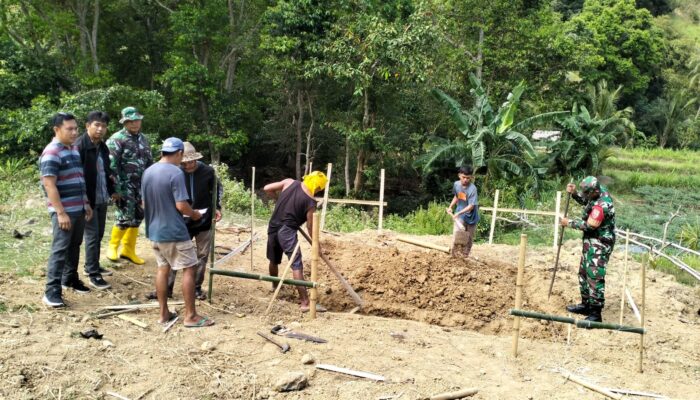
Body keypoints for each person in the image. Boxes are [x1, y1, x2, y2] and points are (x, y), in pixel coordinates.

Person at [142, 137, 214, 327]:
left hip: (155, 231)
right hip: (174, 231)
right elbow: (182, 205)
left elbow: (143, 203)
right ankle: (190, 316)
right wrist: (195, 214)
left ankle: (164, 313)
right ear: (180, 154)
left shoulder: (148, 171)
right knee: (189, 268)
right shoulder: (175, 173)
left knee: (162, 269)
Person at [40, 112, 93, 307]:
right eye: (69, 129)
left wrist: (85, 203)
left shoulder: (72, 149)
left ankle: (69, 278)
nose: (74, 132)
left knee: (74, 245)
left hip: (77, 208)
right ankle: (51, 291)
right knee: (60, 249)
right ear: (57, 130)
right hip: (64, 211)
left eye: (75, 128)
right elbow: (49, 185)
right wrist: (60, 212)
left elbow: (79, 178)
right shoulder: (52, 152)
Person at [264, 171, 327, 312]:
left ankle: (274, 286)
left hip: (273, 225)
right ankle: (305, 302)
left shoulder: (289, 182)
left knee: (274, 260)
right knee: (296, 264)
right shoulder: (310, 202)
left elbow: (267, 188)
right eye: (318, 189)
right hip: (287, 230)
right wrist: (316, 244)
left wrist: (277, 200)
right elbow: (310, 227)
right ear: (317, 187)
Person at [560, 176, 616, 323]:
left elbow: (590, 225)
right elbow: (587, 201)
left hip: (600, 242)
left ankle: (595, 314)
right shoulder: (596, 193)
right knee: (584, 273)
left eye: (587, 193)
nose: (586, 196)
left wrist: (569, 223)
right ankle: (586, 305)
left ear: (595, 191)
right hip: (590, 240)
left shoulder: (603, 204)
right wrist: (575, 194)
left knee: (594, 274)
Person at [105, 106, 153, 265]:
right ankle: (113, 247)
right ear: (124, 122)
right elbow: (111, 166)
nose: (134, 124)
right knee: (124, 217)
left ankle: (128, 250)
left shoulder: (144, 139)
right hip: (124, 186)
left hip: (141, 186)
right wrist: (115, 189)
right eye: (130, 121)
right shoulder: (116, 139)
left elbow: (149, 163)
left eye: (137, 120)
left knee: (138, 216)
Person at [75, 111, 117, 290]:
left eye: (103, 126)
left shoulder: (102, 147)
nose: (100, 129)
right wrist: (84, 201)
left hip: (101, 196)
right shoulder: (80, 146)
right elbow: (78, 176)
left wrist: (113, 190)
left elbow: (106, 172)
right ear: (87, 126)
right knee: (92, 236)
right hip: (88, 200)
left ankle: (92, 265)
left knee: (98, 234)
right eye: (96, 125)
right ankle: (93, 274)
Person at [446, 166, 480, 258]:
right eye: (463, 177)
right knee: (457, 233)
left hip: (471, 216)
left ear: (471, 178)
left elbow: (471, 206)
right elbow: (457, 197)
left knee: (469, 238)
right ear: (459, 175)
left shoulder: (473, 189)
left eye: (468, 178)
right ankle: (453, 254)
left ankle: (465, 256)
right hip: (460, 214)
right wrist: (450, 206)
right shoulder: (456, 185)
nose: (465, 180)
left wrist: (458, 213)